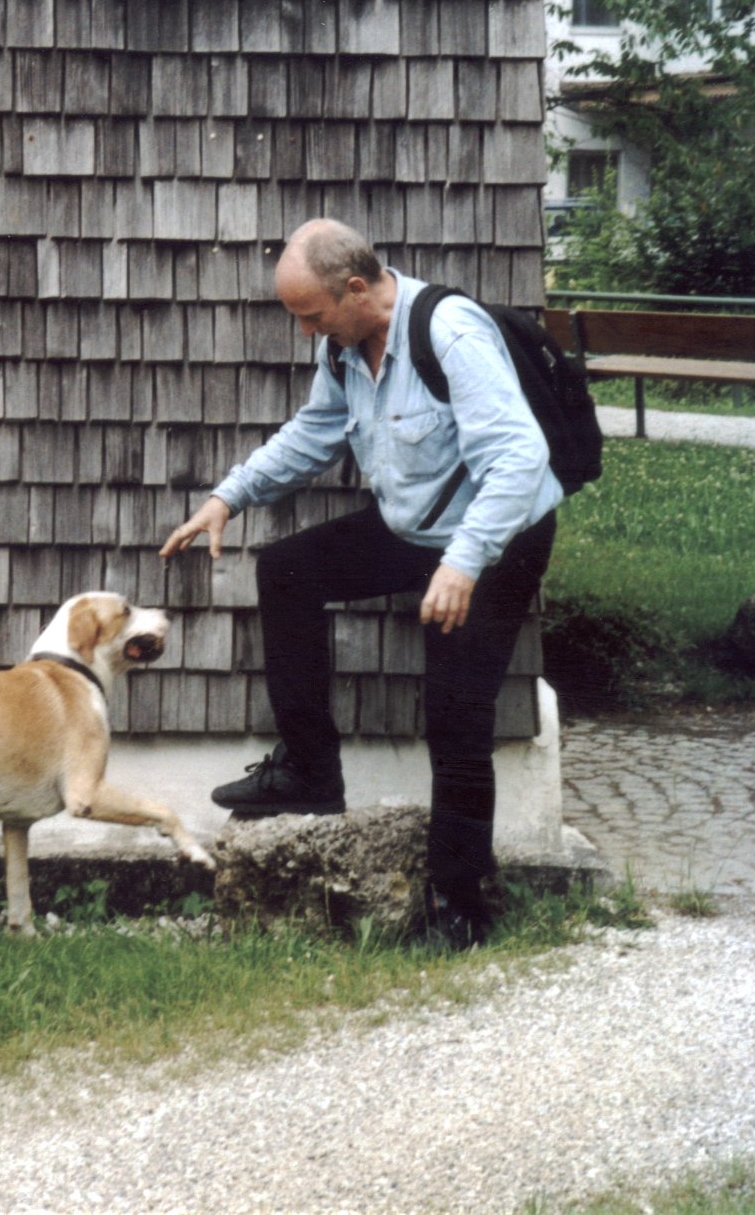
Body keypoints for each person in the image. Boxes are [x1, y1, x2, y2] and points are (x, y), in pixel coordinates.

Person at [159, 219, 561, 946]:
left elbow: (518, 456)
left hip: (499, 537)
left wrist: (464, 564)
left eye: (312, 315)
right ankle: (311, 773)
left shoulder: (448, 334)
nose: (307, 330)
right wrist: (229, 496)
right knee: (286, 571)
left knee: (455, 715)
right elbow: (316, 433)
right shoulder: (344, 349)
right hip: (418, 527)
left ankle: (460, 905)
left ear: (355, 289)